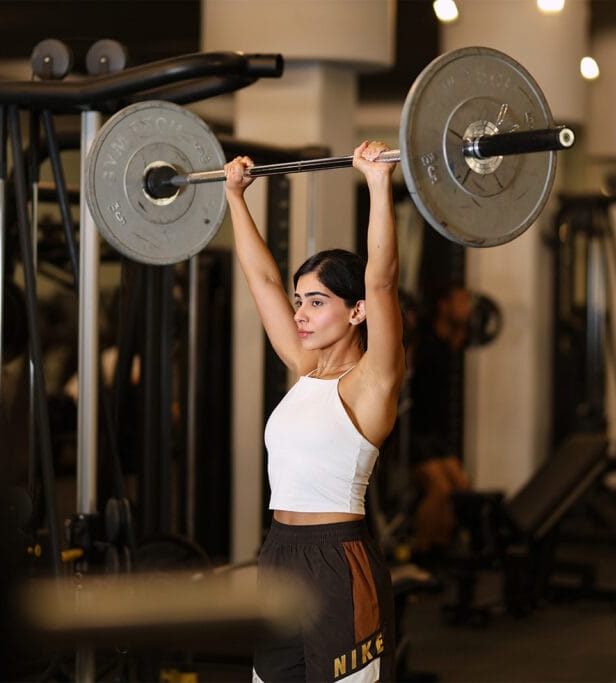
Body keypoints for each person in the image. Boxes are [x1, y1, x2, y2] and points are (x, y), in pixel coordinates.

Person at [224, 141, 405, 683]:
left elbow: (382, 278)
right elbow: (261, 280)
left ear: (357, 312)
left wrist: (376, 183)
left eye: (317, 302)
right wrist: (235, 197)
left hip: (338, 561)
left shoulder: (373, 382)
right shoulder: (305, 368)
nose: (301, 313)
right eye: (300, 300)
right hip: (279, 553)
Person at [408, 285, 472, 559]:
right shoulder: (423, 340)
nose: (467, 307)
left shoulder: (451, 341)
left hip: (437, 433)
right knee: (440, 490)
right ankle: (419, 550)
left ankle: (440, 551)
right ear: (443, 306)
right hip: (416, 432)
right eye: (461, 301)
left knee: (462, 487)